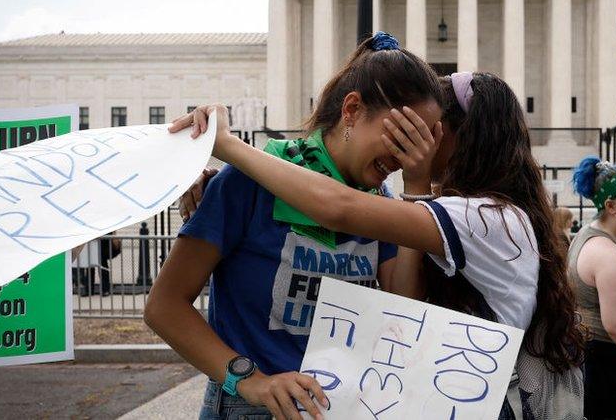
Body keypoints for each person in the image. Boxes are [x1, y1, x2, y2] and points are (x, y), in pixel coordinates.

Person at [178, 70, 586, 419]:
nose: (412, 141)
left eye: (428, 129)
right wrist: (229, 184)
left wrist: (230, 147)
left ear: (460, 138)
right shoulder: (451, 214)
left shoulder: (485, 217)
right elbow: (405, 309)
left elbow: (338, 207)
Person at [144, 32, 444, 420]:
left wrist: (417, 186)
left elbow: (403, 308)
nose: (406, 157)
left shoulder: (381, 204)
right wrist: (251, 380)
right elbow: (163, 306)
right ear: (351, 110)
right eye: (402, 136)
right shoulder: (247, 182)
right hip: (252, 406)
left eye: (421, 144)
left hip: (338, 407)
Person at [569, 156, 616, 420]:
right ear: (611, 206)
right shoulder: (607, 253)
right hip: (605, 366)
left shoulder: (589, 234)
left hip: (590, 359)